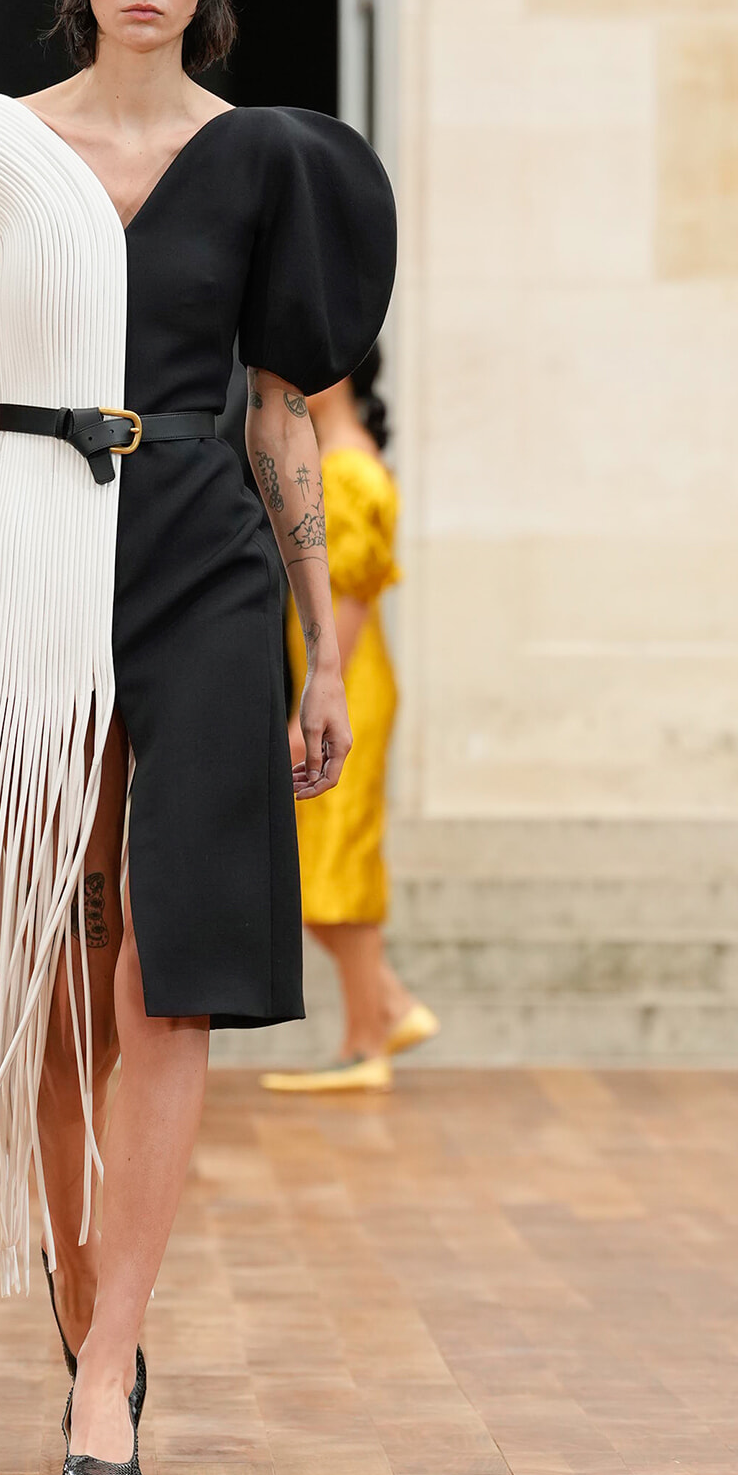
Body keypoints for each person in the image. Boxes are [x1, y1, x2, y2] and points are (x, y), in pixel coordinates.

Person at [0, 0, 395, 1475]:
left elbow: (284, 405)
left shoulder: (262, 160)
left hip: (209, 553)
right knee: (65, 964)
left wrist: (325, 651)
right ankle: (93, 1325)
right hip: (40, 556)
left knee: (172, 959)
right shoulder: (2, 155)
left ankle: (106, 1359)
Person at [261, 347, 439, 1096]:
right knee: (322, 857)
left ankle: (371, 1034)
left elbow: (353, 603)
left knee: (334, 859)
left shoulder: (350, 470)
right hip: (337, 681)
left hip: (349, 683)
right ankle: (384, 1012)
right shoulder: (338, 461)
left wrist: (316, 705)